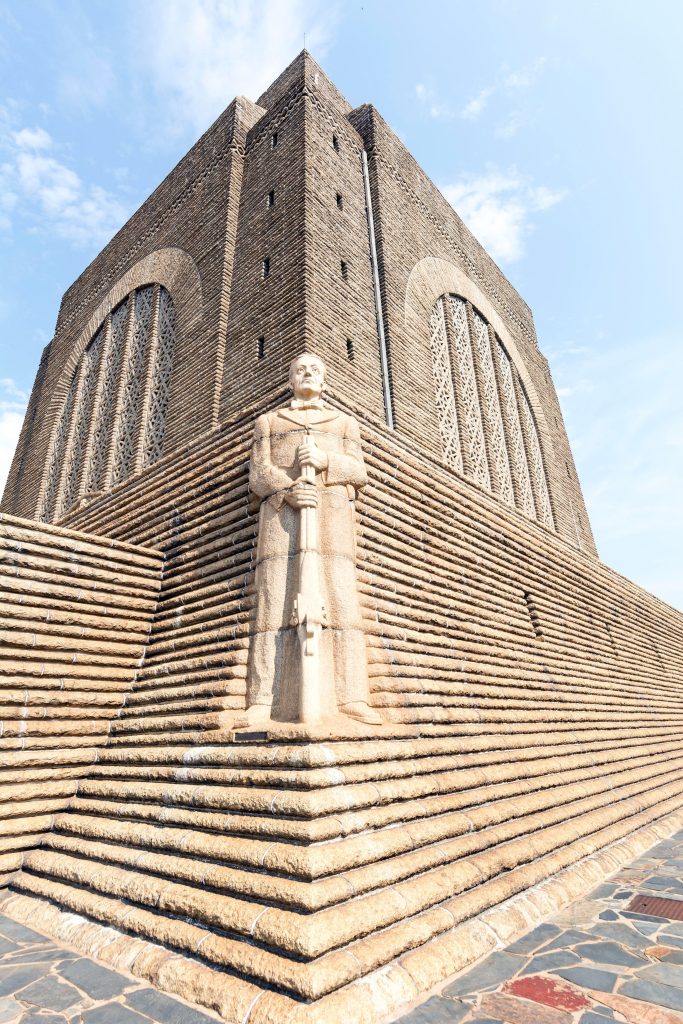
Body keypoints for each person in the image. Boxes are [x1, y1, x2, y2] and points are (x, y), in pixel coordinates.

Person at [245, 352, 381, 726]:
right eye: (300, 369)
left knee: (341, 598)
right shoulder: (269, 422)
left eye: (315, 370)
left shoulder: (343, 424)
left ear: (324, 380)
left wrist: (324, 461)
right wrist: (287, 489)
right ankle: (262, 699)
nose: (307, 374)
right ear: (290, 379)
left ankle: (353, 695)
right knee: (273, 598)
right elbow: (258, 475)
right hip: (281, 517)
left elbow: (359, 472)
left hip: (333, 518)